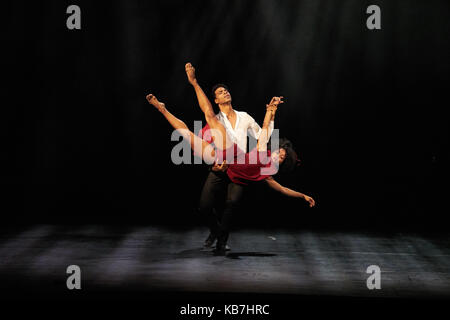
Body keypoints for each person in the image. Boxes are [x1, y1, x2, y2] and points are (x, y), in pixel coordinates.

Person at [145, 90, 316, 254]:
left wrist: (302, 196)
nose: (278, 155)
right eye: (279, 152)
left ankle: (221, 241)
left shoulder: (266, 174)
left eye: (281, 158)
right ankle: (162, 108)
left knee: (231, 204)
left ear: (279, 165)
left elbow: (282, 189)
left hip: (234, 175)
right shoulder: (262, 148)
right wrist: (271, 110)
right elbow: (265, 126)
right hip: (229, 153)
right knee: (199, 126)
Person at [185, 63, 275, 252]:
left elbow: (263, 136)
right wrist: (215, 166)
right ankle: (216, 230)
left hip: (240, 166)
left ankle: (222, 241)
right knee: (204, 207)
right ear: (216, 100)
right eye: (220, 92)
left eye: (226, 90)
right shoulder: (214, 121)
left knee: (232, 203)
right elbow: (203, 148)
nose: (225, 92)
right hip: (220, 166)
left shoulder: (245, 117)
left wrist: (270, 114)